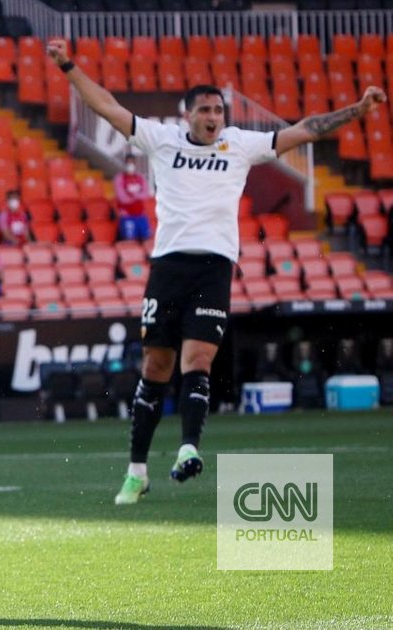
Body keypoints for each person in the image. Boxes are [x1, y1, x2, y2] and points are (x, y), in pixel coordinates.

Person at [45, 39, 388, 505]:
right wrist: (67, 64)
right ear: (186, 115)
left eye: (219, 110)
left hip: (214, 267)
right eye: (205, 110)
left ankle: (188, 448)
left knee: (199, 361)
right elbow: (103, 104)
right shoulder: (159, 138)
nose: (214, 117)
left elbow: (305, 130)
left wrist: (358, 108)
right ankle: (137, 471)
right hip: (168, 265)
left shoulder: (240, 144)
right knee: (156, 366)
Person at [114, 153, 152, 242]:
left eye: (132, 163)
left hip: (140, 214)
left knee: (147, 238)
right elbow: (122, 198)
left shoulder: (140, 178)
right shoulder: (119, 178)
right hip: (126, 215)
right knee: (130, 240)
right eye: (128, 163)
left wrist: (133, 195)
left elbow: (146, 195)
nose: (130, 165)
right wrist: (137, 195)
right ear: (125, 164)